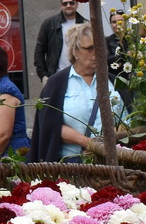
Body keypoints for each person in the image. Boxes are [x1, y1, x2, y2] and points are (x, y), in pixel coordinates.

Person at [28, 23, 126, 162]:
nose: (96, 53)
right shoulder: (57, 84)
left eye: (99, 47)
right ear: (75, 51)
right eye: (89, 48)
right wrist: (89, 143)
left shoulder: (113, 81)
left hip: (113, 160)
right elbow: (50, 126)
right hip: (73, 163)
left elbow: (127, 119)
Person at [34, 0, 85, 81]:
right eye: (65, 4)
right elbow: (39, 51)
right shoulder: (49, 24)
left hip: (80, 75)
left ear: (77, 4)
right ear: (61, 6)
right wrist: (43, 76)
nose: (68, 5)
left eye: (71, 3)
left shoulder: (84, 24)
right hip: (56, 75)